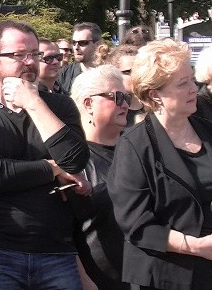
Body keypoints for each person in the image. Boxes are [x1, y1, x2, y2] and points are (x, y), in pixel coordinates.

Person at [108, 39, 212, 290]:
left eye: (191, 79)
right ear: (155, 95)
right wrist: (197, 247)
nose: (194, 88)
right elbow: (135, 223)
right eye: (183, 83)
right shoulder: (135, 146)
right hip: (168, 277)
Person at [0, 20, 91, 290]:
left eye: (34, 54)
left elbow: (75, 160)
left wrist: (34, 102)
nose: (30, 62)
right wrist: (53, 168)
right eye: (18, 55)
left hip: (56, 249)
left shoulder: (59, 106)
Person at [70, 65, 131, 290]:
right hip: (97, 278)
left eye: (126, 97)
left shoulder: (139, 149)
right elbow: (63, 232)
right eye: (116, 97)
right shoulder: (72, 159)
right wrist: (84, 280)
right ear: (88, 104)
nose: (125, 104)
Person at [56, 22, 102, 94]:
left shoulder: (110, 73)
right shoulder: (63, 75)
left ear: (97, 45)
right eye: (74, 42)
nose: (76, 47)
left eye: (82, 43)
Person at [107, 45, 145, 128]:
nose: (136, 75)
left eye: (138, 70)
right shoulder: (110, 111)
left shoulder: (152, 107)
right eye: (129, 72)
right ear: (114, 74)